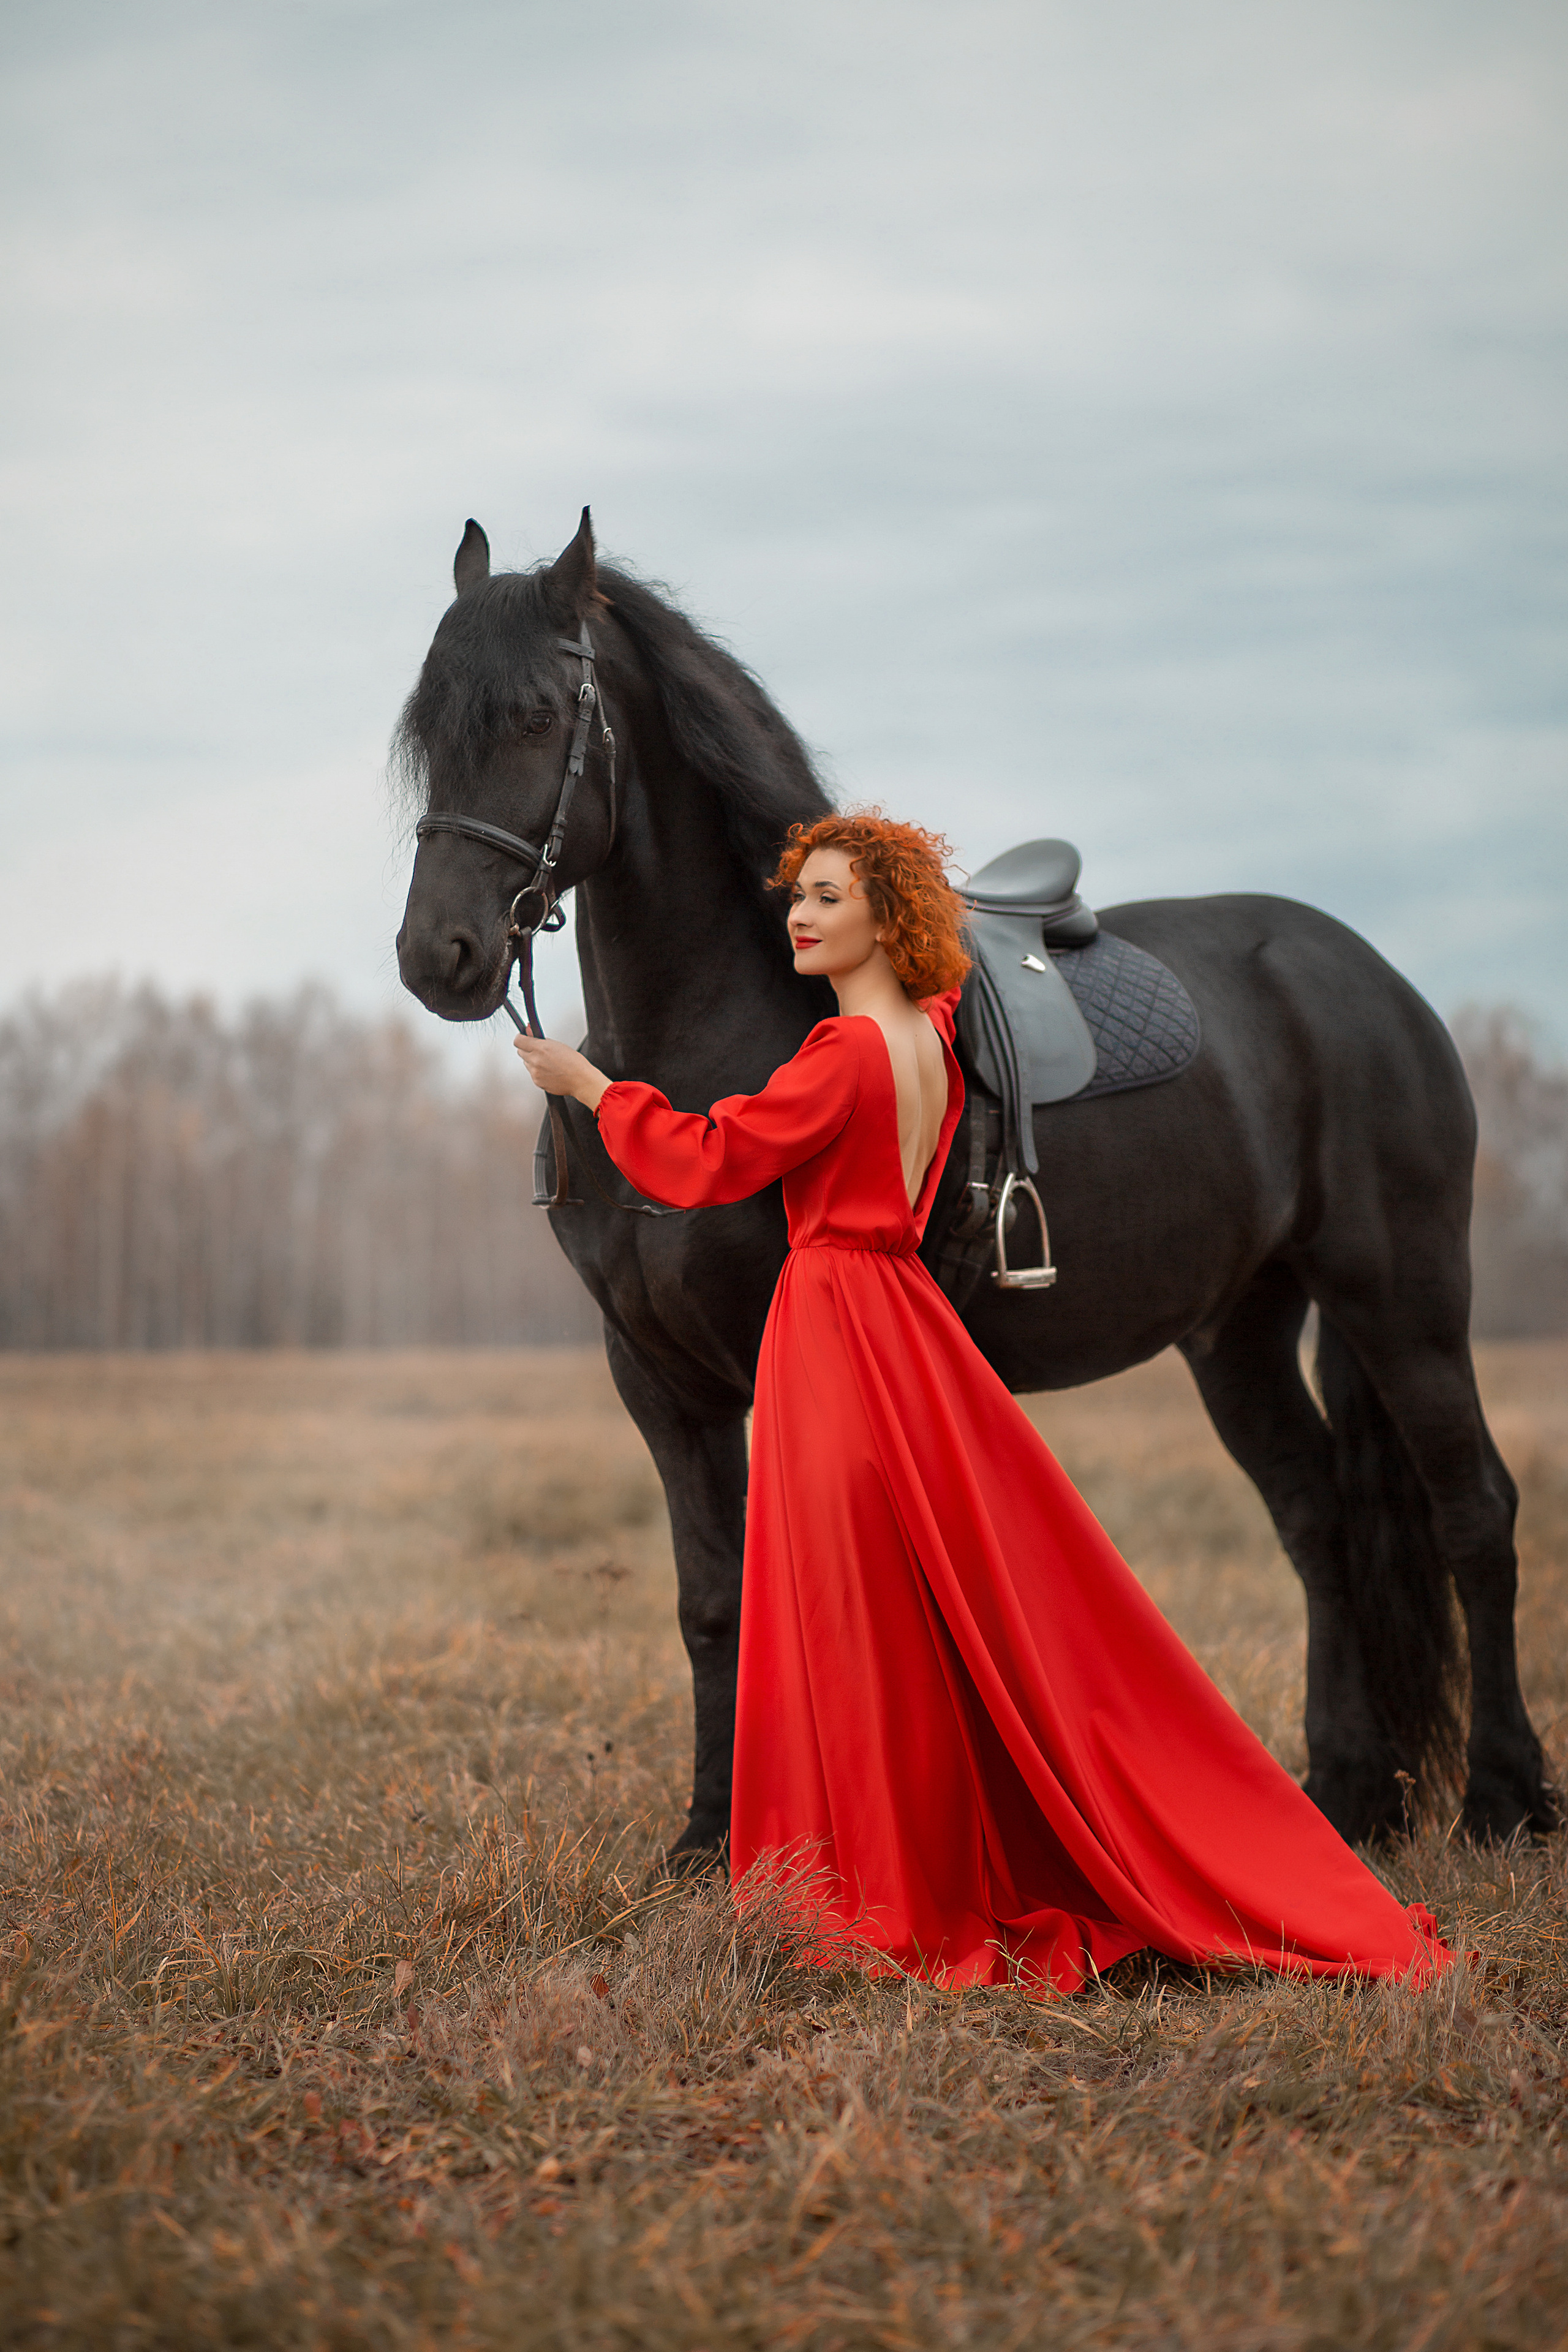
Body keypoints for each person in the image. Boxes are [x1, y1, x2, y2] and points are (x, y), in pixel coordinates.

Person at [514, 812, 1452, 1994]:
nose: (799, 917)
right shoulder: (932, 1035)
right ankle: (914, 1855)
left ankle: (884, 1883)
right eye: (797, 896)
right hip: (903, 1317)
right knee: (917, 1610)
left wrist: (591, 1087)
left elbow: (706, 1160)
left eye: (830, 900)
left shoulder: (841, 1059)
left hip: (835, 1329)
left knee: (854, 1612)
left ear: (883, 921)